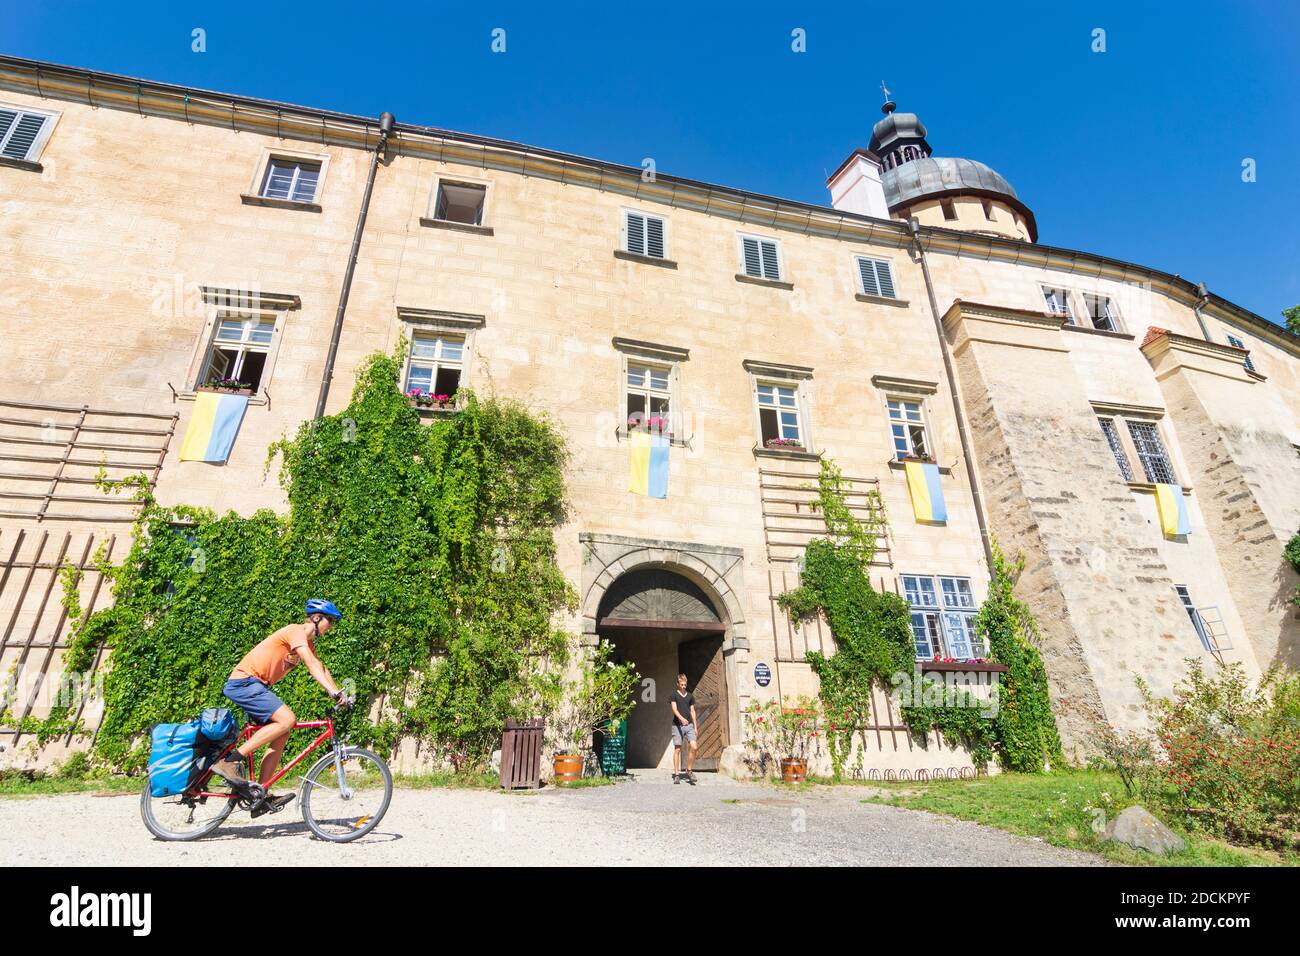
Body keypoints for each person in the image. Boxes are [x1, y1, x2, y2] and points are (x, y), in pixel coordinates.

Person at [212, 599, 348, 817]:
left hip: (256, 685)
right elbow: (311, 664)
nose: (331, 626)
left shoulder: (308, 644)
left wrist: (338, 692)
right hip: (244, 683)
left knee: (282, 732)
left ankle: (261, 793)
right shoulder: (295, 632)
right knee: (287, 719)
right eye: (330, 621)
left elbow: (320, 666)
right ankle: (230, 761)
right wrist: (331, 692)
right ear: (316, 618)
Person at [670, 672, 698, 785]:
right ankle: (676, 774)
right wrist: (681, 718)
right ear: (678, 684)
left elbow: (692, 711)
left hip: (689, 725)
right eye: (681, 684)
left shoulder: (690, 696)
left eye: (685, 685)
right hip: (677, 725)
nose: (683, 686)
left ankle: (689, 770)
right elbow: (674, 710)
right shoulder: (673, 695)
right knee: (677, 749)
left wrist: (695, 727)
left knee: (694, 747)